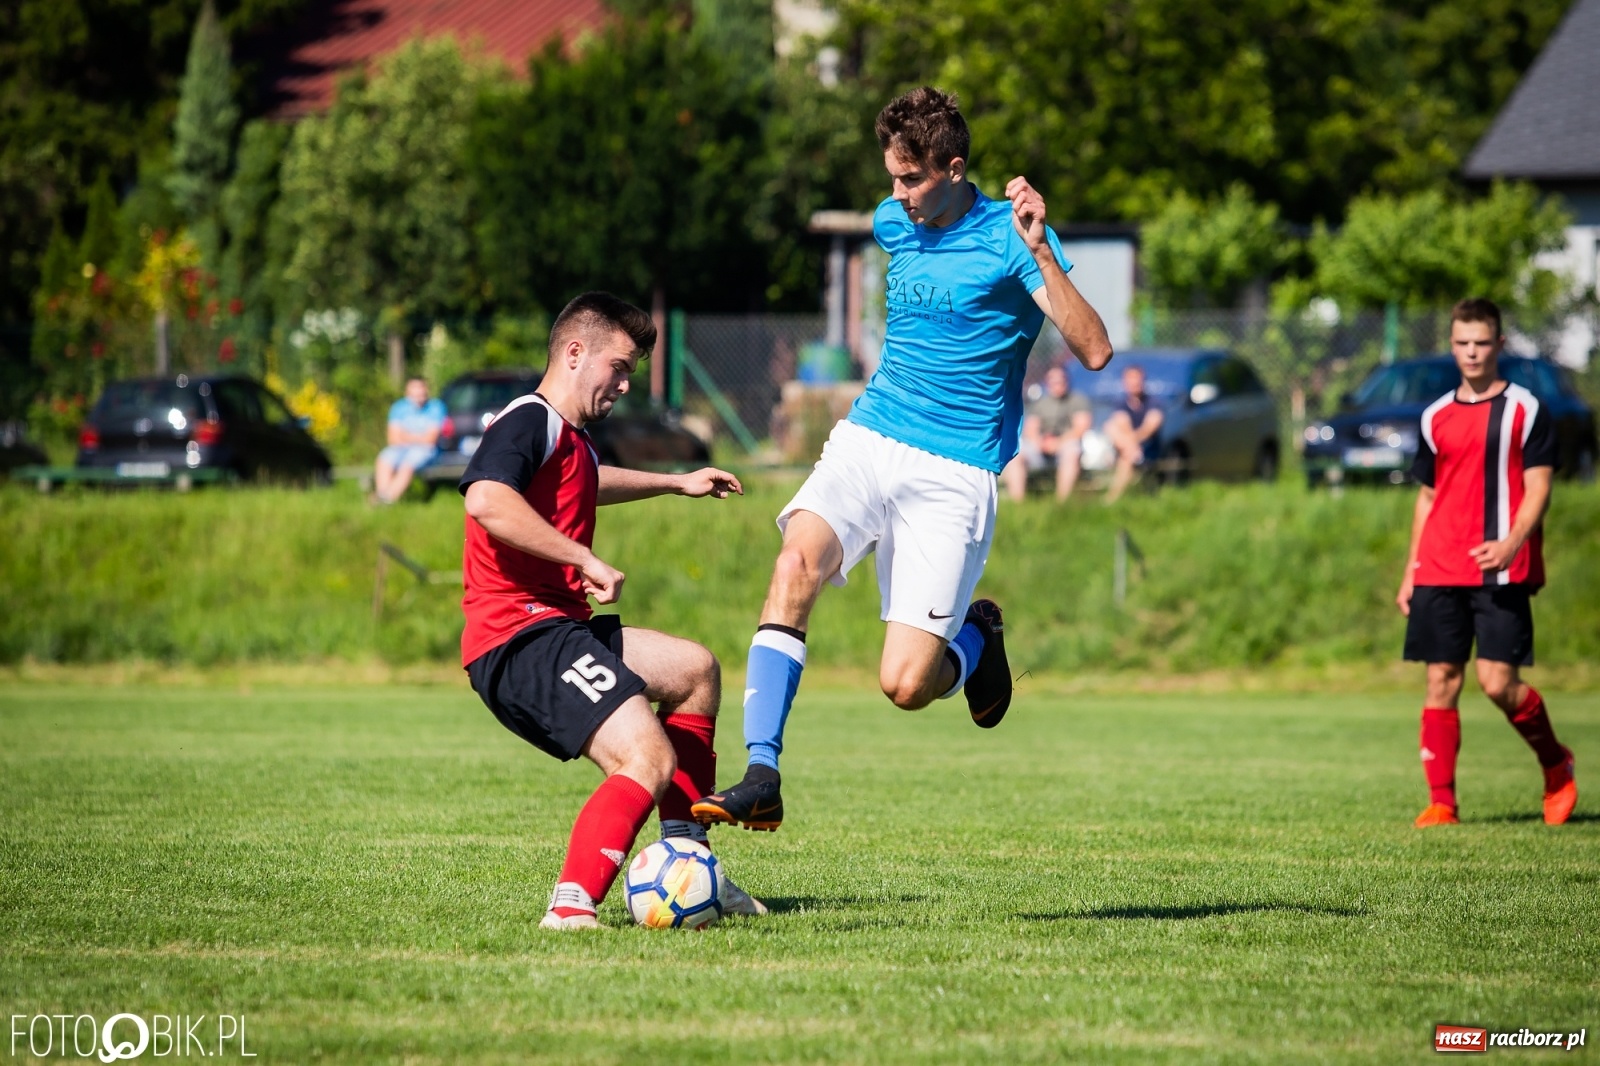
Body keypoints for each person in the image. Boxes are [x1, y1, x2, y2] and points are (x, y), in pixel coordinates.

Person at [691, 87, 1113, 833]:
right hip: (870, 436)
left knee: (907, 685)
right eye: (892, 176)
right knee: (795, 567)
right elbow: (895, 222)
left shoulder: (1011, 238)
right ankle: (763, 773)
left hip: (954, 471)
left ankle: (977, 639)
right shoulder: (893, 223)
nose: (896, 195)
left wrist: (1043, 249)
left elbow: (1095, 348)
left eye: (911, 178)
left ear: (953, 168)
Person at [457, 291, 765, 929]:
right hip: (519, 637)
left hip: (554, 627)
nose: (625, 383)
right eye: (619, 367)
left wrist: (677, 482)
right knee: (647, 759)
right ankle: (571, 906)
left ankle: (687, 860)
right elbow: (486, 498)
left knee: (694, 670)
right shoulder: (528, 419)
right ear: (575, 353)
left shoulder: (567, 438)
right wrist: (584, 558)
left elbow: (588, 479)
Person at [1396, 297, 1577, 828]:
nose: (1472, 352)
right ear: (1452, 345)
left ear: (1499, 344)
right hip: (1439, 563)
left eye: (1481, 342)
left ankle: (1555, 762)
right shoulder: (1434, 414)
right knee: (1441, 679)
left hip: (1501, 566)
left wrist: (1512, 541)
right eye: (1462, 343)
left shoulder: (1526, 408)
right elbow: (1427, 497)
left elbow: (1538, 487)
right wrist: (1411, 568)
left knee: (1498, 683)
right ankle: (1442, 804)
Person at [1001, 363, 1094, 502]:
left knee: (1072, 451)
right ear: (1047, 382)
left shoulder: (1077, 400)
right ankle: (1018, 502)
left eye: (1061, 380)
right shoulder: (1041, 403)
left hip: (1065, 444)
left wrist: (1058, 442)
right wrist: (1040, 442)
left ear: (1067, 380)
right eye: (1053, 381)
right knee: (1015, 455)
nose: (1057, 384)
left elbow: (1081, 427)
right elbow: (1030, 429)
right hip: (1042, 445)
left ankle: (1061, 502)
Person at [374, 377, 447, 504]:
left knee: (408, 464)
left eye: (421, 392)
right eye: (415, 393)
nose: (419, 396)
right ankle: (382, 494)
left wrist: (405, 435)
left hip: (427, 451)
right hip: (401, 448)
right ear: (407, 393)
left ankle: (388, 501)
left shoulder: (436, 407)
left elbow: (430, 439)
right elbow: (393, 439)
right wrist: (418, 437)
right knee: (385, 458)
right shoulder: (398, 407)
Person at [1102, 364, 1164, 503]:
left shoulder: (1154, 403)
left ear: (1143, 380)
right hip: (1132, 449)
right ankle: (1133, 453)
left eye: (1137, 378)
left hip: (1148, 448)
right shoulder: (1121, 403)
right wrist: (1131, 446)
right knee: (1111, 426)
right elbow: (1121, 422)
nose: (1134, 382)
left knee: (1126, 456)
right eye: (1130, 379)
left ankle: (1111, 499)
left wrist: (1131, 443)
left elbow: (1149, 428)